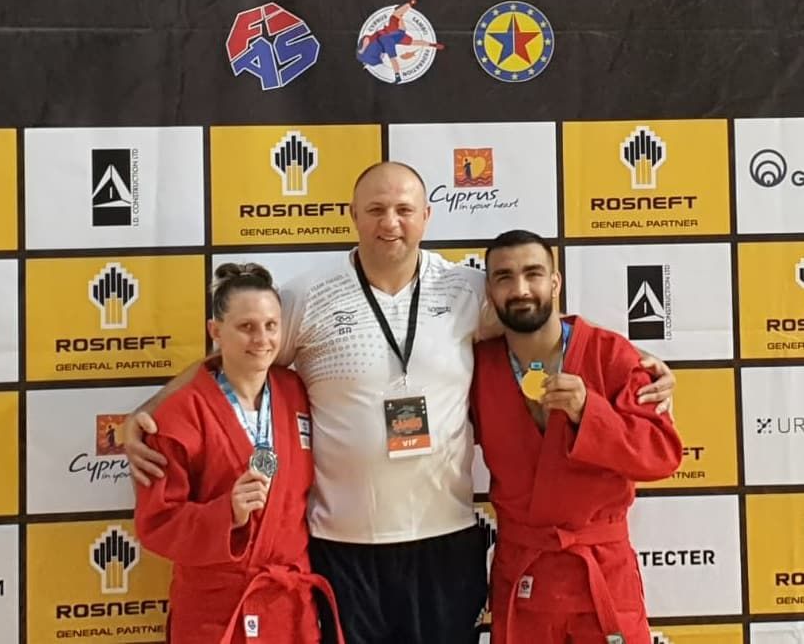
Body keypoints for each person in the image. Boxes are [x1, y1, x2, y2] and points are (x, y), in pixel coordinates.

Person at [126, 162, 675, 644]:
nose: (390, 223)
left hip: (445, 539)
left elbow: (536, 318)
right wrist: (148, 410)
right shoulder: (307, 295)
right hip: (344, 542)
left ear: (426, 217)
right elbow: (238, 356)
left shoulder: (466, 289)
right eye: (376, 210)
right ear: (353, 216)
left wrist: (632, 360)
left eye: (404, 210)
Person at [471, 230, 683, 644]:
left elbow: (661, 454)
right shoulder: (477, 366)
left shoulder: (610, 355)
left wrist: (590, 412)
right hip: (524, 578)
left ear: (555, 282)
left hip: (601, 575)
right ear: (489, 292)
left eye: (533, 274)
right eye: (504, 277)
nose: (521, 289)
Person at [133, 263, 343, 644]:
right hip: (217, 611)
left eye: (271, 326)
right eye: (246, 327)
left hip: (287, 607)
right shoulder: (179, 416)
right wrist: (226, 514)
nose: (261, 339)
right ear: (216, 331)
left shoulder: (296, 391)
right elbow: (157, 523)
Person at [356, 0, 444, 83]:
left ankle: (433, 45)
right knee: (396, 16)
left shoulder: (377, 49)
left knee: (412, 41)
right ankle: (410, 4)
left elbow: (388, 58)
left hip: (396, 36)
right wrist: (364, 52)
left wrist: (397, 76)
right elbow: (367, 43)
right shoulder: (372, 45)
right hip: (391, 34)